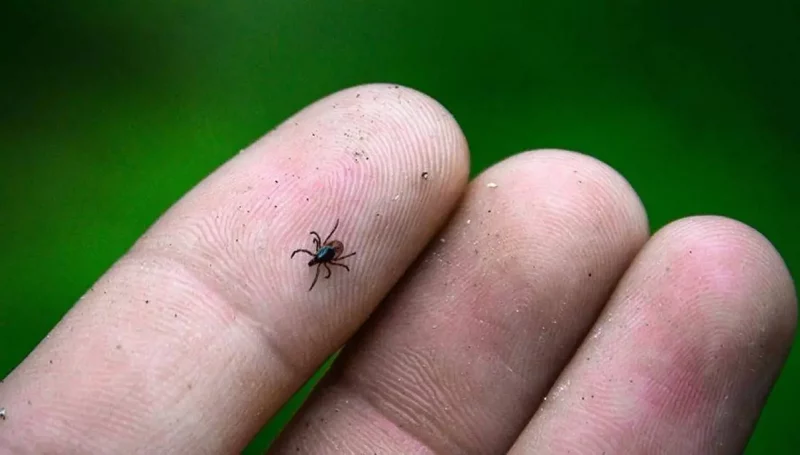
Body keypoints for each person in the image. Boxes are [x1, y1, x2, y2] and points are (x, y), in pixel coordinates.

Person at [0, 84, 795, 454]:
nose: (319, 255)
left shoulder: (322, 252)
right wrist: (320, 256)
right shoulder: (321, 252)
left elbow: (323, 251)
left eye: (320, 251)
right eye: (320, 252)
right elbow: (321, 253)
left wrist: (320, 254)